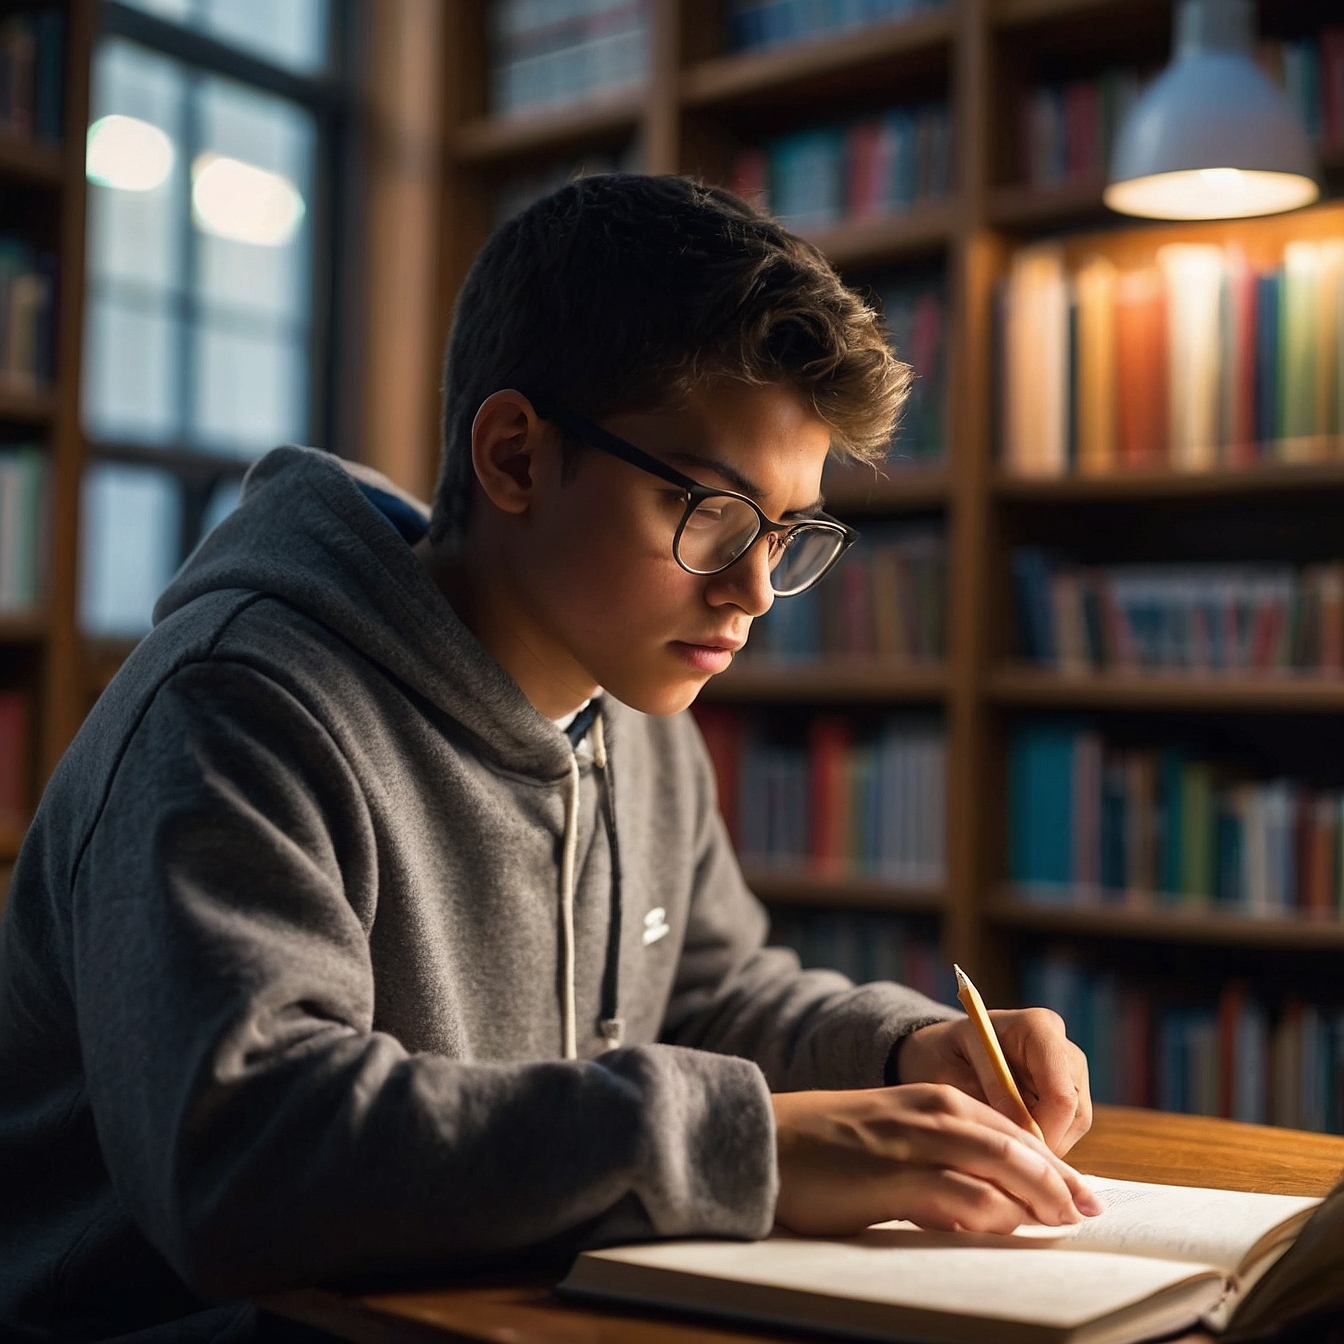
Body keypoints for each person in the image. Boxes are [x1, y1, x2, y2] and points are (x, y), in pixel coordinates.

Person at [0, 174, 1097, 1344]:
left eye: (788, 533)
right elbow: (245, 1152)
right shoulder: (234, 711)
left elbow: (708, 992)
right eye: (714, 511)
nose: (754, 590)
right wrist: (749, 1143)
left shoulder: (638, 713)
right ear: (516, 456)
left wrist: (901, 1050)